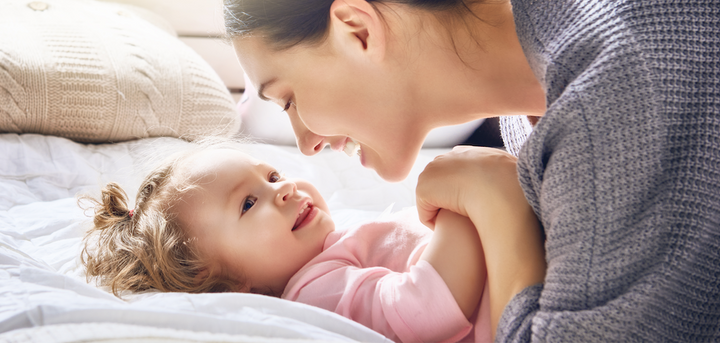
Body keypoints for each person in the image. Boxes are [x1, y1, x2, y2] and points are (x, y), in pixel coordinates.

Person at [223, 0, 720, 341]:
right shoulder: (530, 113)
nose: (307, 145)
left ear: (358, 29)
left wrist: (497, 201)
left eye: (288, 99)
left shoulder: (607, 101)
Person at [81, 138, 543, 343]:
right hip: (520, 299)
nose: (283, 189)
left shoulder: (332, 243)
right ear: (223, 283)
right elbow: (425, 309)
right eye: (247, 204)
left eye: (273, 175)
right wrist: (463, 208)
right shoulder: (312, 290)